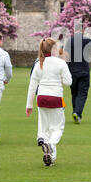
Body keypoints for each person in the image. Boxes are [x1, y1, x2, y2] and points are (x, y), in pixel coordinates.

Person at [26, 38, 72, 167]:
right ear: (53, 49)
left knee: (45, 128)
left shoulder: (38, 63)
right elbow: (68, 82)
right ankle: (50, 145)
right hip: (55, 97)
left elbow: (32, 86)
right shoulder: (60, 63)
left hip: (41, 98)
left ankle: (50, 157)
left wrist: (29, 105)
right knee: (58, 127)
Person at [65, 32, 91, 124]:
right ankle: (77, 113)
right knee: (82, 93)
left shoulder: (70, 41)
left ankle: (75, 112)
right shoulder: (87, 40)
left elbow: (66, 55)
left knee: (74, 93)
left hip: (72, 70)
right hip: (84, 70)